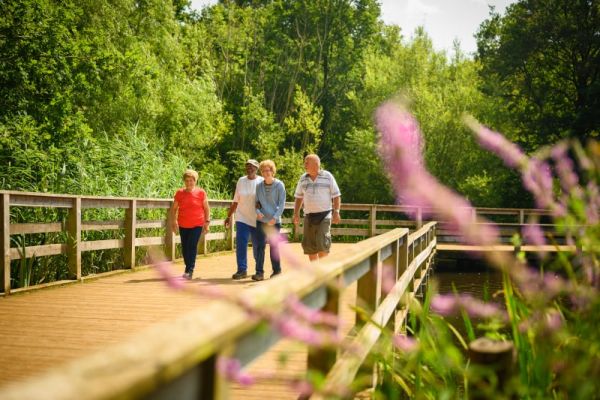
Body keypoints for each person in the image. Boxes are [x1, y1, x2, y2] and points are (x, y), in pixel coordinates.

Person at [293, 154, 341, 261]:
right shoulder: (303, 178)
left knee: (322, 244)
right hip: (308, 216)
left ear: (315, 164)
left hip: (324, 215)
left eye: (306, 162)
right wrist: (296, 213)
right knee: (310, 247)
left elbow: (336, 195)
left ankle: (324, 273)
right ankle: (316, 274)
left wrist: (336, 211)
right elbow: (299, 197)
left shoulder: (328, 176)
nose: (304, 164)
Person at [224, 159, 264, 279]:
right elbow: (236, 200)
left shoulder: (261, 181)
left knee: (258, 246)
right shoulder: (241, 180)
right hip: (242, 218)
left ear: (257, 168)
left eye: (252, 166)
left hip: (257, 218)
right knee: (241, 244)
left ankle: (259, 270)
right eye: (247, 166)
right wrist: (229, 216)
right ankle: (242, 270)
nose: (249, 168)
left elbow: (266, 199)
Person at [170, 169, 211, 280]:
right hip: (183, 224)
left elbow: (206, 209)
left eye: (191, 180)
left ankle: (189, 270)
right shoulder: (179, 193)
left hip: (197, 224)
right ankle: (188, 267)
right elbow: (174, 209)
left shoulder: (201, 193)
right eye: (187, 180)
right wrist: (174, 221)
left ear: (195, 181)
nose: (189, 183)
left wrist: (207, 222)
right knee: (185, 248)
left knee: (192, 246)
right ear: (184, 181)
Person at [253, 160, 286, 281]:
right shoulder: (259, 186)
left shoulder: (279, 185)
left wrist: (275, 217)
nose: (266, 173)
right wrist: (258, 213)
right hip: (261, 221)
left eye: (268, 170)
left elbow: (282, 204)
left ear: (272, 171)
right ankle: (259, 273)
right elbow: (256, 203)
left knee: (274, 247)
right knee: (260, 246)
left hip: (274, 221)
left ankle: (277, 271)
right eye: (263, 170)